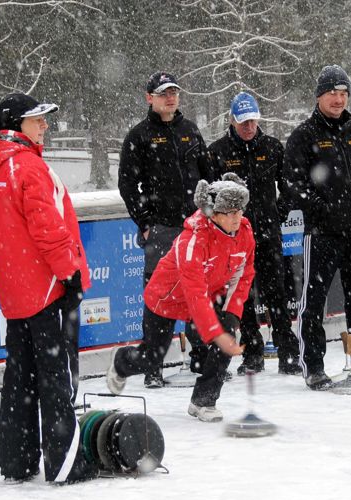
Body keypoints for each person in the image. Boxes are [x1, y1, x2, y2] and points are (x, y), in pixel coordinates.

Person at [0, 93, 96, 484]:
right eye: (37, 119)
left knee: (20, 380)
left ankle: (17, 461)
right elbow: (48, 229)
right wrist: (70, 274)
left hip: (16, 290)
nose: (44, 125)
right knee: (56, 378)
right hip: (46, 288)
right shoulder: (26, 166)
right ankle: (66, 464)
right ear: (15, 126)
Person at [107, 174, 254, 422]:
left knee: (228, 332)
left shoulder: (244, 232)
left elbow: (244, 275)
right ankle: (122, 362)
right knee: (152, 357)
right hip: (167, 298)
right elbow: (193, 291)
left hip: (206, 299)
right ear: (213, 213)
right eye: (230, 212)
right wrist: (215, 332)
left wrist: (231, 316)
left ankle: (203, 400)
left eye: (239, 211)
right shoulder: (193, 239)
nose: (237, 218)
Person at [282, 65, 351, 390]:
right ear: (319, 96)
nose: (338, 99)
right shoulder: (304, 135)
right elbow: (293, 184)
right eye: (332, 94)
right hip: (322, 233)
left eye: (343, 94)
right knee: (314, 302)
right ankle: (314, 367)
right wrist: (323, 211)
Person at [118, 71, 212, 387]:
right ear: (150, 98)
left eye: (174, 92)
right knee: (159, 299)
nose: (170, 98)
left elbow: (207, 176)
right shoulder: (139, 135)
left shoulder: (190, 130)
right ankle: (152, 366)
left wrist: (209, 216)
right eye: (163, 93)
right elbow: (128, 185)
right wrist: (145, 224)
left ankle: (201, 359)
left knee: (199, 292)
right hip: (161, 230)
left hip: (195, 229)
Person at [208, 92, 301, 376]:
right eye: (242, 122)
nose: (248, 127)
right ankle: (252, 353)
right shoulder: (218, 151)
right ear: (232, 121)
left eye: (252, 121)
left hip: (269, 235)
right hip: (234, 240)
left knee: (277, 292)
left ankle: (288, 352)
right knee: (241, 297)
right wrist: (226, 225)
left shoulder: (272, 147)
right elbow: (211, 195)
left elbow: (289, 185)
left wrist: (279, 212)